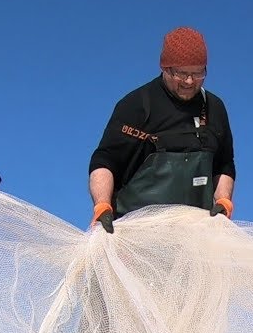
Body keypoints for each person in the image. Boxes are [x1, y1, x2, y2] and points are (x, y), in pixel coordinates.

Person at [88, 27, 235, 232]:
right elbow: (105, 160)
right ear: (164, 67)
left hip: (195, 236)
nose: (190, 81)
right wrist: (102, 205)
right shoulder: (137, 105)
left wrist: (224, 200)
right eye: (181, 73)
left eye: (198, 73)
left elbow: (224, 164)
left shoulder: (214, 108)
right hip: (136, 232)